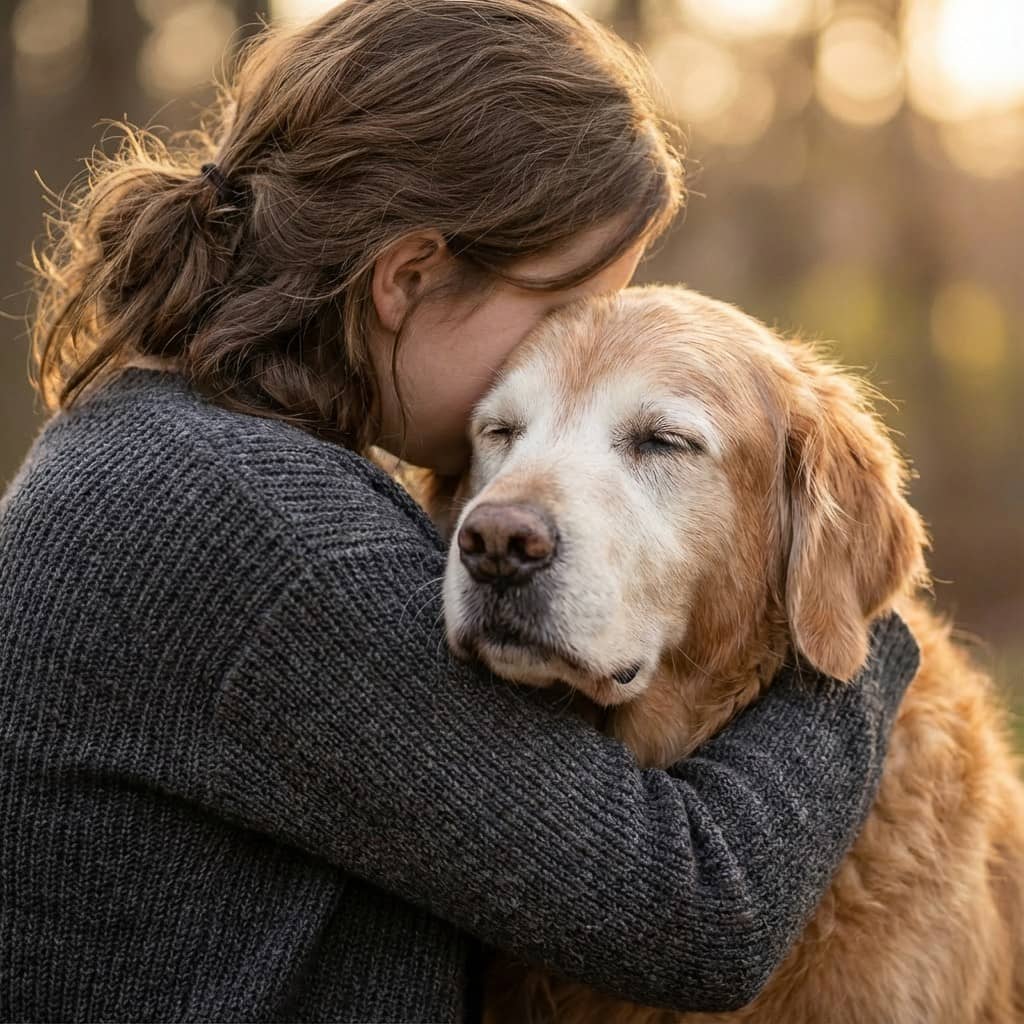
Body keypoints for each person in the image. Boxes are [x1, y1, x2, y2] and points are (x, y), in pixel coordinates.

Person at [0, 0, 920, 1021]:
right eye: (558, 312)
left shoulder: (162, 446)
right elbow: (700, 911)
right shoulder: (264, 535)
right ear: (407, 278)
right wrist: (863, 637)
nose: (580, 348)